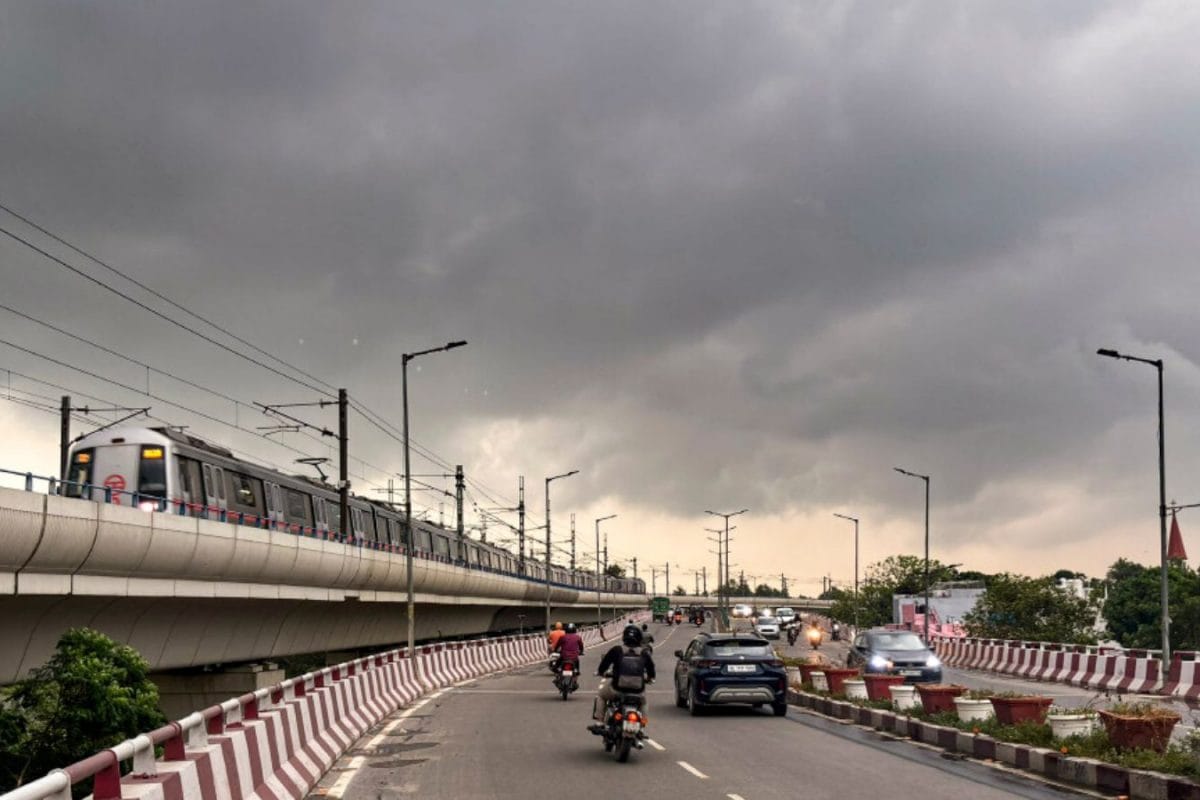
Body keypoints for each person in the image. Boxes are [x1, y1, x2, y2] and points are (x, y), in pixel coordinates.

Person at [591, 624, 655, 725]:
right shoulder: (644, 653)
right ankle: (643, 722)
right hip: (638, 691)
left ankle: (599, 721)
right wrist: (650, 678)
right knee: (644, 702)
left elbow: (605, 664)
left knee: (601, 695)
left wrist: (600, 672)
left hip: (617, 689)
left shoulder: (617, 650)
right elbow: (651, 669)